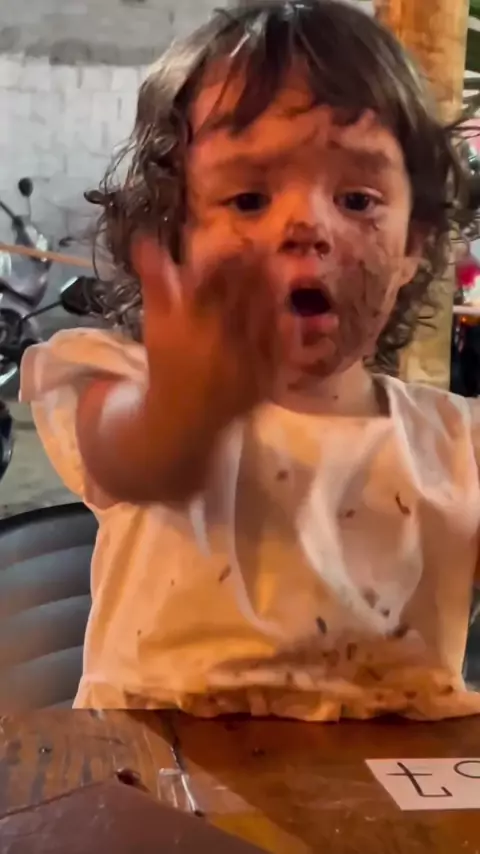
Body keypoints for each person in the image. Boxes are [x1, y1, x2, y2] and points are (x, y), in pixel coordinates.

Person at [20, 0, 480, 718]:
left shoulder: (457, 449)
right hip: (154, 764)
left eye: (357, 198)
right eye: (248, 198)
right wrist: (182, 407)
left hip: (383, 776)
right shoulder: (128, 387)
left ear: (413, 245)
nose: (306, 225)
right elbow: (129, 459)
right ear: (174, 235)